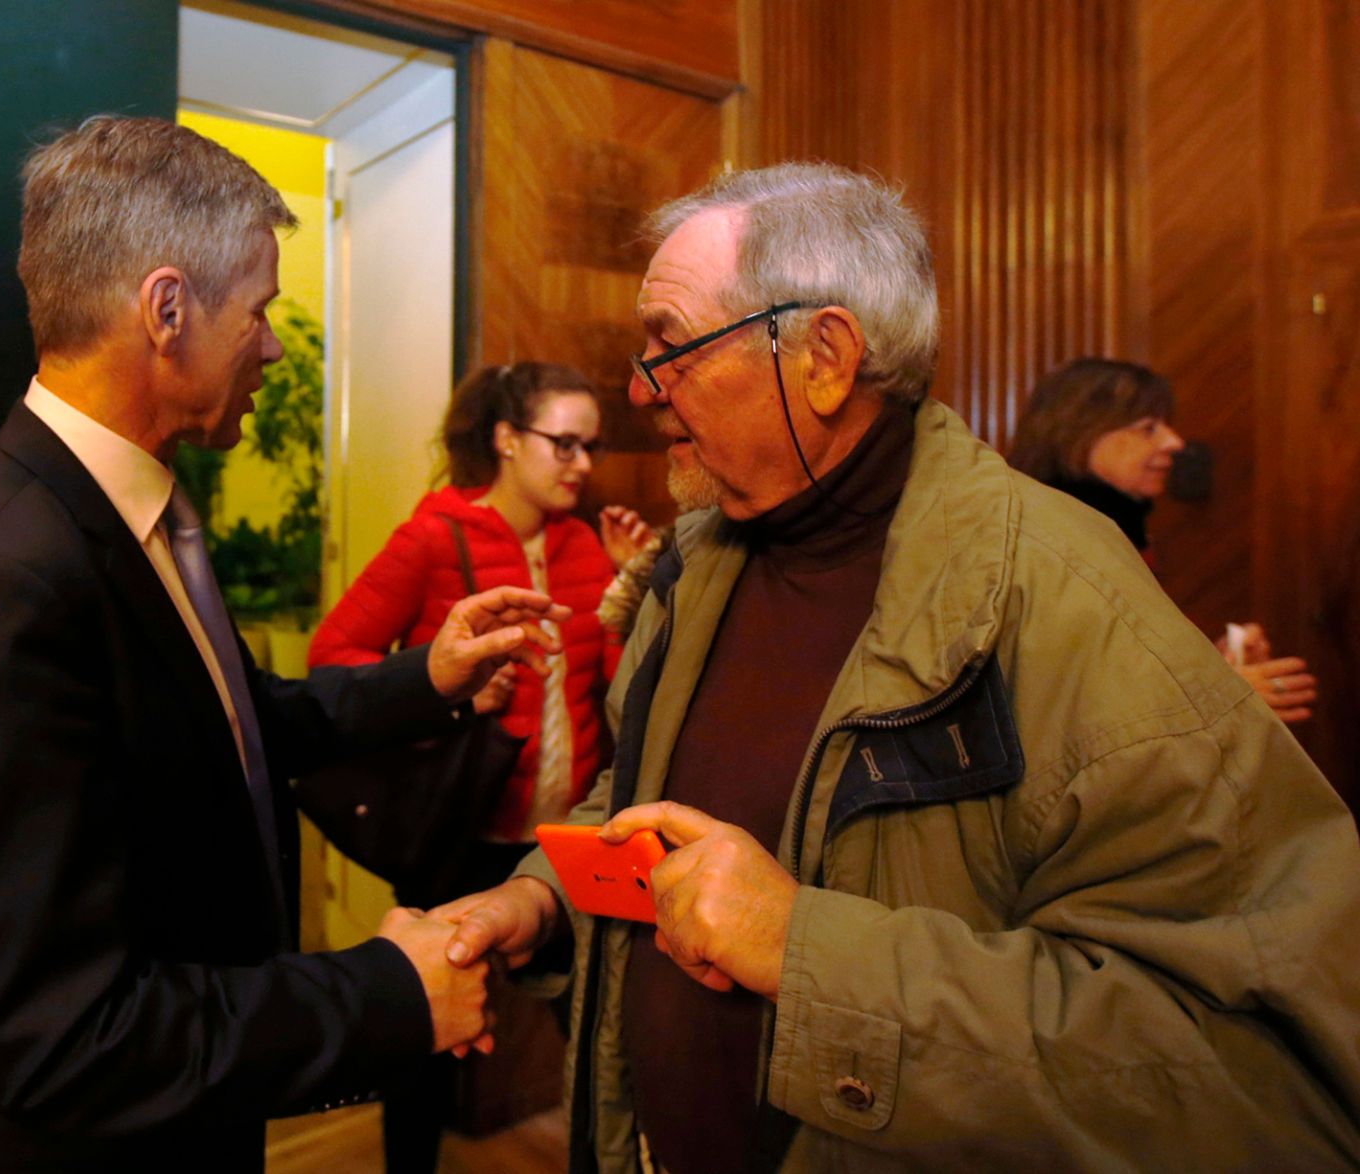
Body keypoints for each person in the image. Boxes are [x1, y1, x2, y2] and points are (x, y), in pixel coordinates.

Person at [431, 162, 1360, 1171]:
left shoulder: (1060, 595)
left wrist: (802, 947)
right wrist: (539, 898)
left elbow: (1250, 1061)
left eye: (673, 345)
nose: (637, 387)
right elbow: (651, 798)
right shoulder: (693, 562)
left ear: (824, 356)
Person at [0, 115, 567, 1171]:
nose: (275, 345)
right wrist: (386, 993)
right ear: (166, 309)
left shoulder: (127, 516)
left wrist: (424, 678)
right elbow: (60, 1034)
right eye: (260, 311)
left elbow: (235, 723)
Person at [307, 361, 657, 1170]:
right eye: (563, 443)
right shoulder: (435, 536)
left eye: (590, 446)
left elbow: (613, 691)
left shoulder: (584, 543)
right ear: (506, 440)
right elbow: (336, 662)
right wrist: (452, 689)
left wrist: (629, 591)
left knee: (597, 1027)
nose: (581, 463)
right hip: (458, 830)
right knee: (427, 1030)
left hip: (564, 840)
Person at [1008, 356, 1318, 723]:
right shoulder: (1047, 539)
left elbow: (1124, 668)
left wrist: (1212, 667)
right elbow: (1065, 703)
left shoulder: (1113, 526)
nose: (1174, 442)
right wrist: (1216, 694)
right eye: (1149, 427)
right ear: (1080, 433)